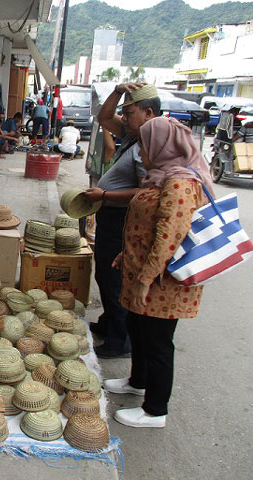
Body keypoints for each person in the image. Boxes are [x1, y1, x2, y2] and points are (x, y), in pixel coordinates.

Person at [106, 116, 212, 428]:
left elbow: (170, 237)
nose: (141, 152)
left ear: (162, 145)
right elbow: (150, 225)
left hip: (163, 282)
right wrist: (128, 254)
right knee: (138, 329)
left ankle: (155, 409)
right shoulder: (160, 178)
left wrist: (144, 279)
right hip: (145, 271)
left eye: (145, 145)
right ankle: (137, 381)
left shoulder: (180, 183)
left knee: (158, 342)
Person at [83, 83, 160, 359]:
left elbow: (146, 192)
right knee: (104, 273)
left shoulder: (148, 146)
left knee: (113, 277)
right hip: (110, 213)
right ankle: (109, 323)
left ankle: (120, 340)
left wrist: (105, 194)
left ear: (148, 113)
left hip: (123, 219)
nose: (123, 118)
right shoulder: (132, 135)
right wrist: (116, 92)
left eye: (129, 112)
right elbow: (104, 118)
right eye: (124, 112)